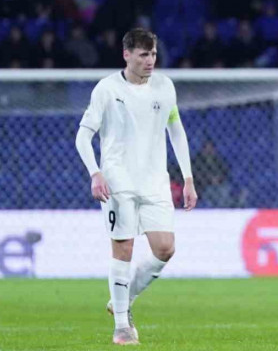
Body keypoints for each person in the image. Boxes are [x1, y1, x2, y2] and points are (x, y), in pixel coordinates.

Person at [75, 28, 198, 345]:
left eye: (153, 54)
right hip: (118, 182)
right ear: (126, 54)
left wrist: (187, 178)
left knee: (165, 249)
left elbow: (176, 131)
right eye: (144, 55)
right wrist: (95, 172)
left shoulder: (164, 87)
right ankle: (121, 326)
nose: (150, 61)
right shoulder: (107, 89)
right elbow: (82, 136)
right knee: (124, 248)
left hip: (155, 182)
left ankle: (122, 300)